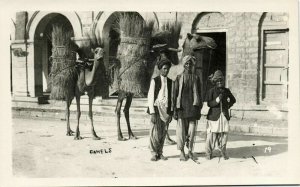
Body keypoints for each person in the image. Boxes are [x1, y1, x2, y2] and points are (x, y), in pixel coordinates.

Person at [173, 55, 202, 161]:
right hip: (181, 108)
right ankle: (181, 152)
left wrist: (199, 108)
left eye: (190, 63)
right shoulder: (179, 77)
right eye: (186, 63)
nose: (188, 65)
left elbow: (199, 93)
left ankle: (190, 150)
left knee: (192, 131)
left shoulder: (196, 78)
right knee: (181, 132)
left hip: (193, 108)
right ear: (184, 65)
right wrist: (174, 110)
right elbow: (175, 94)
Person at [205, 70, 236, 160]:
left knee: (224, 134)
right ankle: (208, 152)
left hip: (224, 116)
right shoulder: (211, 91)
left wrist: (227, 106)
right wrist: (217, 100)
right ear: (215, 82)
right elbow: (209, 104)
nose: (219, 82)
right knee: (212, 135)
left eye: (221, 80)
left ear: (223, 81)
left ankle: (223, 150)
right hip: (214, 117)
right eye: (217, 81)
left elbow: (233, 100)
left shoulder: (226, 91)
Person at [147, 57, 173, 161]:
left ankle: (160, 152)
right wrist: (152, 112)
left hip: (166, 109)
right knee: (155, 132)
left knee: (163, 131)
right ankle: (154, 153)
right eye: (164, 68)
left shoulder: (171, 82)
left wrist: (170, 112)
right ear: (160, 69)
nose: (166, 71)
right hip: (157, 108)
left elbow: (171, 98)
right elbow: (150, 96)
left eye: (168, 69)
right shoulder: (155, 80)